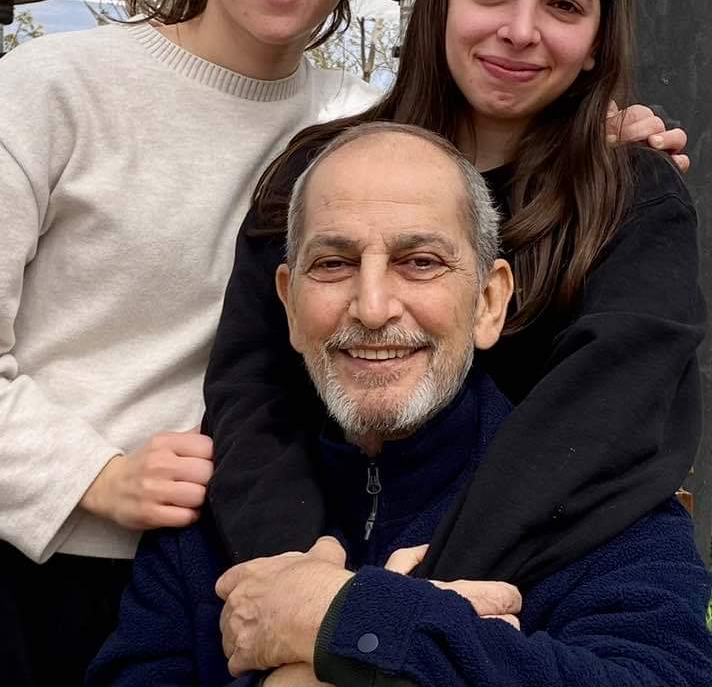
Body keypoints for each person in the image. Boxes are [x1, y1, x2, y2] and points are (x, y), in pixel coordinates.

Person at [202, 0, 705, 622]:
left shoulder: (630, 201)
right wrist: (300, 578)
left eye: (564, 5)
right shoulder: (319, 174)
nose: (519, 30)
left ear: (601, 36)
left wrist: (388, 611)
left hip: (523, 612)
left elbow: (600, 424)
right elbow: (250, 395)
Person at [0, 0, 391, 685]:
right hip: (35, 572)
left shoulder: (362, 127)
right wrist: (93, 477)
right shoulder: (53, 90)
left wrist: (610, 139)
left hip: (236, 583)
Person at [87, 124, 712, 687]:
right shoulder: (211, 508)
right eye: (333, 263)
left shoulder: (600, 509)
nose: (373, 307)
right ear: (289, 304)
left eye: (420, 262)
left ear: (489, 302)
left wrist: (351, 620)